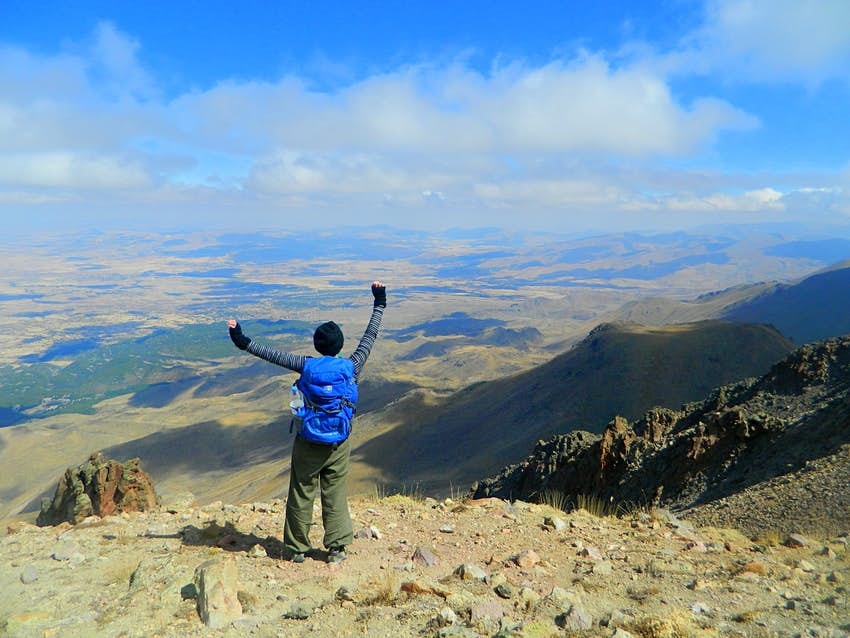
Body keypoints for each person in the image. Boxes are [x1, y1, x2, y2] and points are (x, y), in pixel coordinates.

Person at [227, 281, 387, 563]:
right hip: (339, 441)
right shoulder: (352, 366)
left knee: (302, 492)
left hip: (308, 441)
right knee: (334, 492)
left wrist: (242, 341)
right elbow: (369, 337)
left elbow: (272, 354)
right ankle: (337, 548)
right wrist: (379, 302)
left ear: (316, 345)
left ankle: (297, 549)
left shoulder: (306, 365)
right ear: (340, 346)